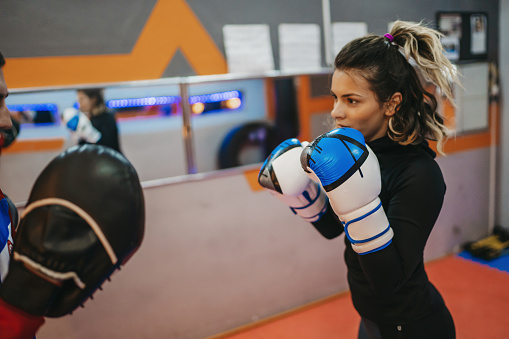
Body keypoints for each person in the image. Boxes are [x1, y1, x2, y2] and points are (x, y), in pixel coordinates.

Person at [258, 20, 459, 339]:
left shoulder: (419, 174)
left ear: (391, 103)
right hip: (370, 319)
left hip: (412, 327)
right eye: (335, 97)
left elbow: (389, 280)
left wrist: (358, 207)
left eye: (352, 100)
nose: (337, 112)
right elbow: (333, 229)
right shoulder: (356, 154)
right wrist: (302, 198)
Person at [0, 51, 145, 339]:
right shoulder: (78, 119)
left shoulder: (106, 120)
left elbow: (107, 156)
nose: (6, 122)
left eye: (82, 96)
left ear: (93, 99)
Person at [64, 88, 122, 153]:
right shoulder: (86, 118)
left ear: (93, 100)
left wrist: (88, 133)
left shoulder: (106, 118)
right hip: (94, 160)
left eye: (82, 99)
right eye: (78, 99)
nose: (79, 103)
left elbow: (107, 146)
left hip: (110, 160)